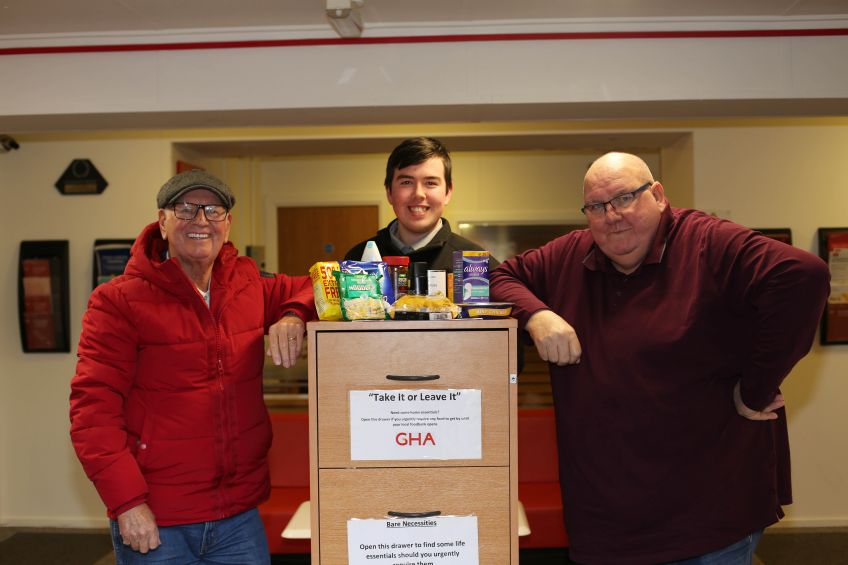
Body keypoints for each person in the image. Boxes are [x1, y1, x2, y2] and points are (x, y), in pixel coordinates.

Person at [490, 152, 830, 565]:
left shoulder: (707, 241)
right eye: (596, 206)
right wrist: (537, 315)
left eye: (624, 198)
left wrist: (756, 389)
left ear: (658, 195)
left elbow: (803, 275)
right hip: (606, 521)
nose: (611, 215)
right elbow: (494, 277)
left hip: (707, 515)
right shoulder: (571, 254)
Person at [69, 170, 315, 564]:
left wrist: (294, 314)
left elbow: (321, 285)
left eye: (213, 210)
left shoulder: (247, 284)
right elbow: (92, 413)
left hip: (238, 515)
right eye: (185, 209)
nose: (200, 221)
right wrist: (128, 503)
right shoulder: (117, 301)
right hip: (157, 518)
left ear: (227, 223)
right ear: (162, 221)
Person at [344, 136, 498, 271]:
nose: (418, 194)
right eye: (406, 182)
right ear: (389, 192)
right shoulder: (357, 260)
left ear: (448, 192)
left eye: (430, 183)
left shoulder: (476, 264)